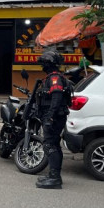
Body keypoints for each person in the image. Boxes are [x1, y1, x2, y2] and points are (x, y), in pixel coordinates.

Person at [36, 50, 71, 190]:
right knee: (53, 144)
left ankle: (55, 178)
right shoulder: (52, 77)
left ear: (48, 64)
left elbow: (56, 98)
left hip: (54, 118)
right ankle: (53, 174)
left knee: (50, 145)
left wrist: (50, 116)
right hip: (54, 117)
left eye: (43, 64)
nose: (42, 67)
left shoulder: (54, 78)